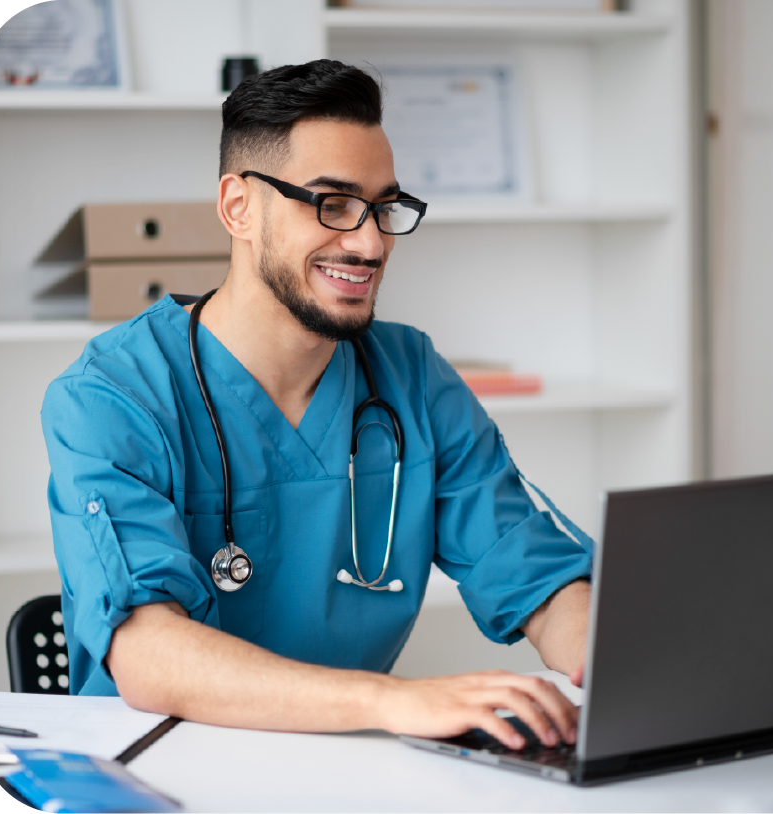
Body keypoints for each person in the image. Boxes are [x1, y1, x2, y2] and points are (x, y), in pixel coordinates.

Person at [41, 60, 593, 751]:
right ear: (238, 207)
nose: (370, 242)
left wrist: (618, 669)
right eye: (332, 204)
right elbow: (148, 653)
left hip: (344, 771)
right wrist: (393, 700)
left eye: (383, 207)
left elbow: (538, 578)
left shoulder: (411, 377)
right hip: (158, 771)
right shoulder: (112, 395)